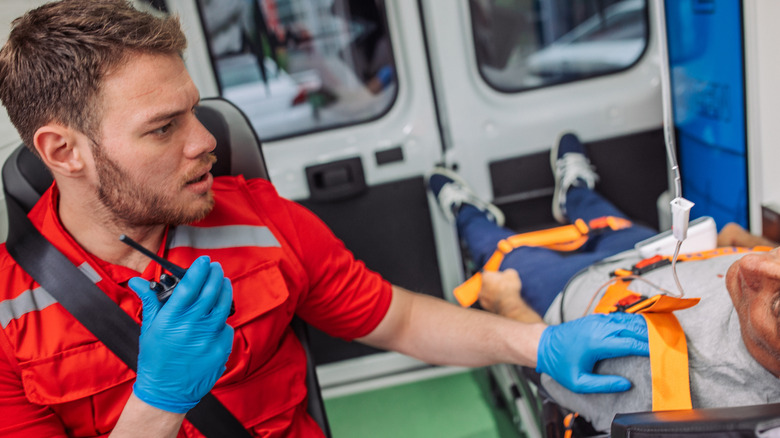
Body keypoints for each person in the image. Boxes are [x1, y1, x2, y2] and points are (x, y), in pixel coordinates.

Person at [0, 1, 650, 437]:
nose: (203, 142)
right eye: (163, 128)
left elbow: (397, 318)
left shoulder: (257, 218)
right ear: (63, 152)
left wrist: (539, 345)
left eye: (194, 112)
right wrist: (159, 401)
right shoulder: (9, 316)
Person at [427, 132, 780, 431]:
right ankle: (575, 191)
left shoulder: (677, 396)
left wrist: (506, 303)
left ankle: (467, 212)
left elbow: (548, 370)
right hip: (655, 254)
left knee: (493, 246)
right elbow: (747, 248)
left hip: (567, 287)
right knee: (605, 217)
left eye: (777, 305)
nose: (751, 266)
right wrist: (754, 244)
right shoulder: (760, 280)